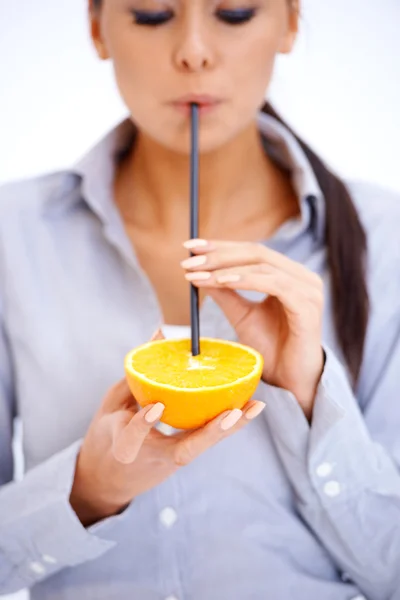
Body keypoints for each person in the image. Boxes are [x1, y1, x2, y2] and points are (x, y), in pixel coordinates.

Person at [0, 0, 399, 598]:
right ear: (95, 27)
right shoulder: (13, 236)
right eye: (152, 15)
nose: (193, 50)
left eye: (234, 13)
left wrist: (311, 394)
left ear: (290, 23)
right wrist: (86, 492)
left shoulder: (385, 241)